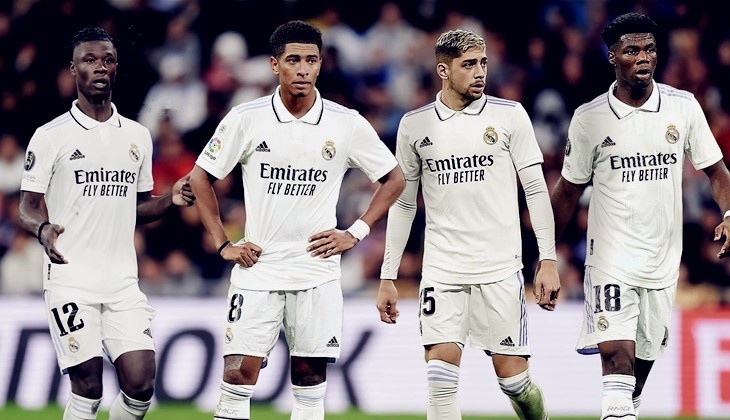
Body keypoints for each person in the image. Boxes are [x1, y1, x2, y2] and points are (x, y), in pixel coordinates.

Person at [188, 20, 404, 420]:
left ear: (320, 64)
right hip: (258, 270)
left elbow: (395, 178)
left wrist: (355, 232)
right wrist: (223, 243)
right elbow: (200, 177)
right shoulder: (246, 118)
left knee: (309, 383)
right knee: (236, 379)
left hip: (316, 272)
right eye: (293, 60)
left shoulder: (346, 122)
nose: (302, 69)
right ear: (275, 65)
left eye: (310, 60)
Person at [550, 12, 730, 420]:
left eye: (649, 48)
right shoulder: (590, 118)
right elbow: (568, 191)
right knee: (617, 361)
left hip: (662, 262)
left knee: (634, 380)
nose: (644, 57)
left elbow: (718, 173)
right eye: (632, 50)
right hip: (610, 259)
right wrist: (544, 253)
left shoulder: (682, 107)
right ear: (613, 57)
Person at [377, 29, 560, 420]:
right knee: (439, 379)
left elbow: (535, 189)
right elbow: (404, 203)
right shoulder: (415, 125)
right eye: (469, 65)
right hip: (442, 271)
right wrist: (388, 275)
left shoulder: (509, 115)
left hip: (499, 269)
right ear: (444, 70)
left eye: (483, 63)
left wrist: (547, 259)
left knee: (515, 383)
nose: (480, 72)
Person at [18, 27, 195, 420]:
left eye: (108, 60)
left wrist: (171, 200)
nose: (100, 67)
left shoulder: (137, 136)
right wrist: (43, 229)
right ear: (73, 69)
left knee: (141, 385)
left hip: (122, 282)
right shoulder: (50, 137)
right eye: (89, 60)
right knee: (88, 388)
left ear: (116, 68)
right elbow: (27, 208)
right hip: (71, 279)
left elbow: (137, 208)